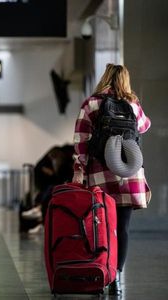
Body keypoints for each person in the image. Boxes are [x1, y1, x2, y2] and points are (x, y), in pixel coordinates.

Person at [72, 64, 151, 295]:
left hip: (101, 175)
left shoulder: (92, 104)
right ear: (125, 80)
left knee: (103, 227)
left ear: (105, 78)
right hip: (130, 176)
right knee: (123, 228)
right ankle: (116, 277)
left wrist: (79, 169)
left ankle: (102, 272)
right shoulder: (133, 105)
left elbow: (81, 140)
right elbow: (145, 126)